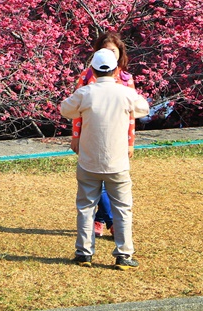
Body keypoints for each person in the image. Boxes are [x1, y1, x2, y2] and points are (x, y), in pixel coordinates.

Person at [61, 48, 149, 270]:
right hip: (117, 162)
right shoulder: (125, 93)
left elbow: (66, 110)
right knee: (123, 208)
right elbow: (143, 109)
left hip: (89, 160)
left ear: (92, 70)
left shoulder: (85, 93)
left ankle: (84, 253)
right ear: (116, 69)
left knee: (85, 207)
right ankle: (123, 255)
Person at [71, 32, 135, 238]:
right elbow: (75, 111)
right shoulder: (87, 77)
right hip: (91, 137)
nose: (109, 54)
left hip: (116, 140)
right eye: (104, 51)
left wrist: (131, 142)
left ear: (120, 54)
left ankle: (102, 219)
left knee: (109, 181)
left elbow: (133, 114)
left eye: (113, 51)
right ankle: (108, 220)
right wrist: (76, 136)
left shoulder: (125, 79)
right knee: (96, 180)